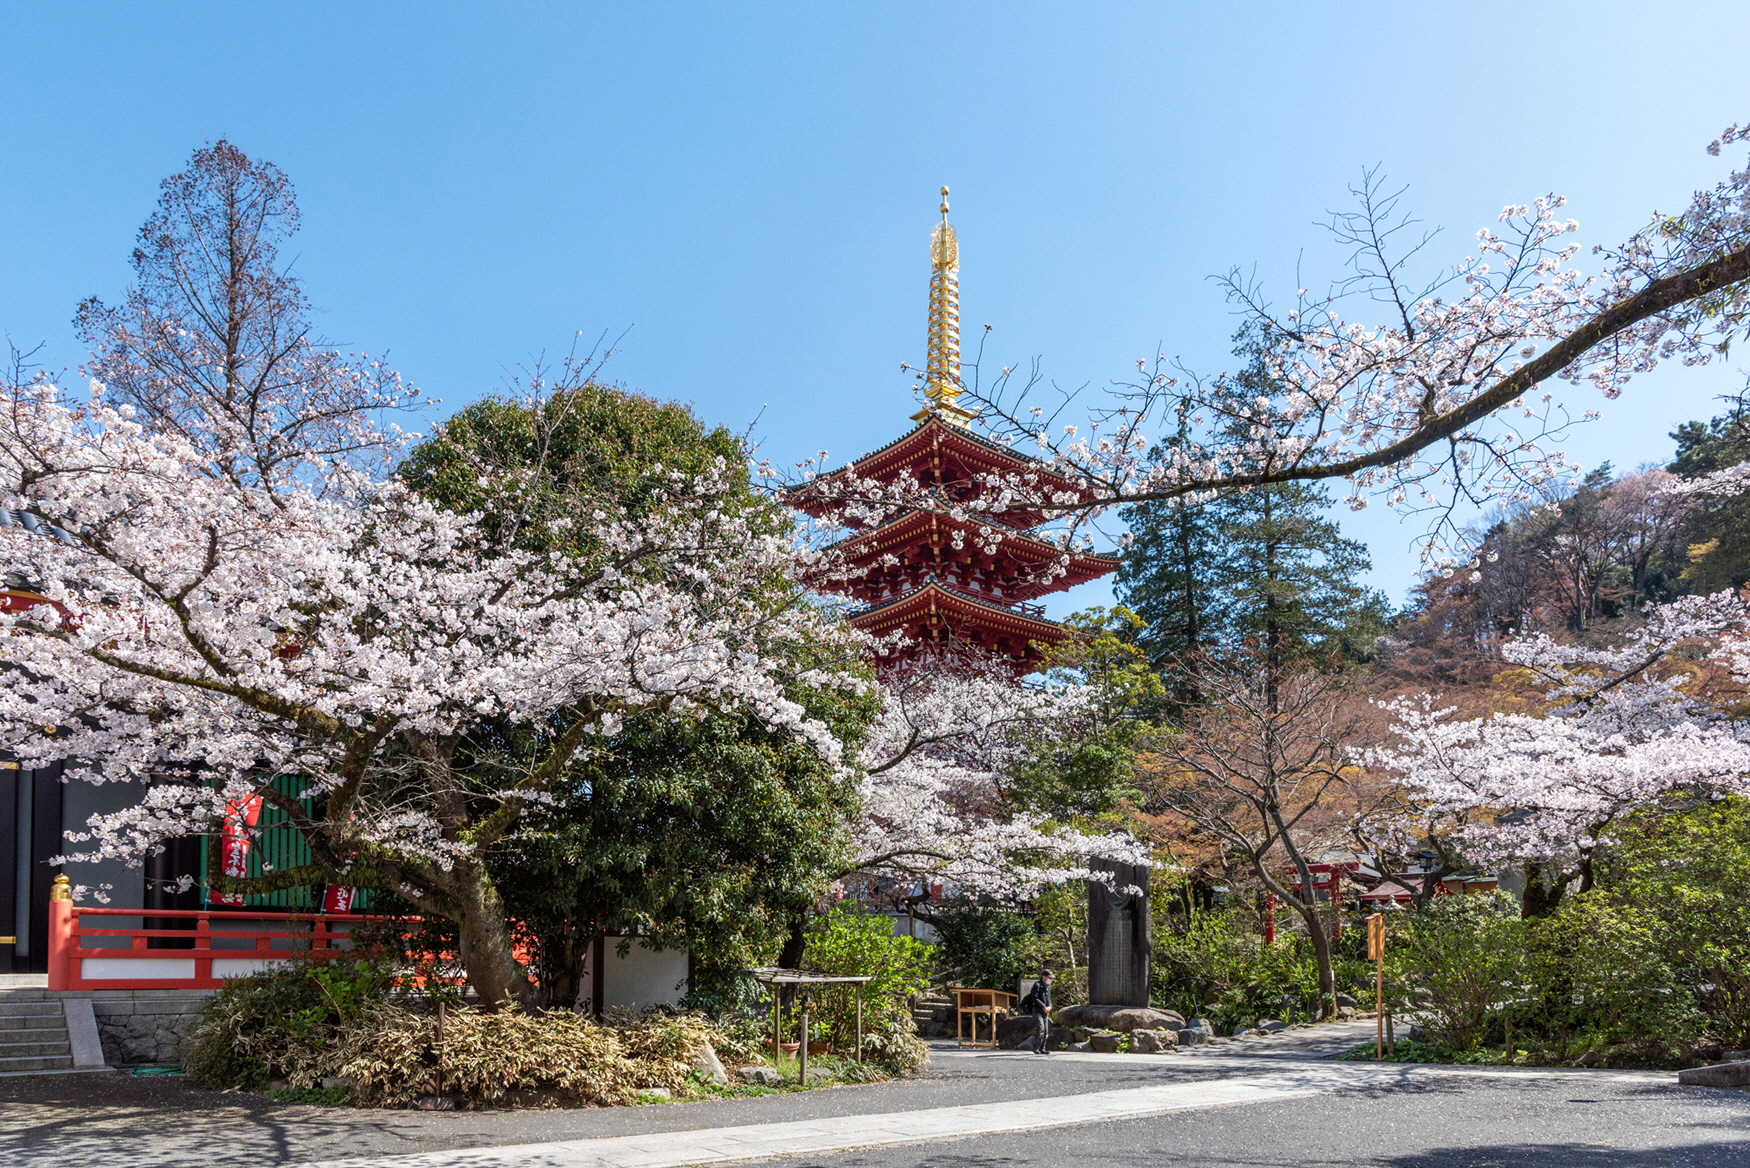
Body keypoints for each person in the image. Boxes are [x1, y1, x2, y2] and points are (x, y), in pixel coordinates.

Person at [1019, 967, 1054, 1054]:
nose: (1050, 979)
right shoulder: (1037, 985)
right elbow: (1035, 998)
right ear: (1044, 977)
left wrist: (1049, 1006)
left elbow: (1049, 999)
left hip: (1046, 1011)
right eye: (1049, 977)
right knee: (1040, 1028)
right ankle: (1036, 1048)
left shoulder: (1049, 986)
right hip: (1037, 1010)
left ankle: (1043, 1048)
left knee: (1046, 1031)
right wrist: (1043, 1007)